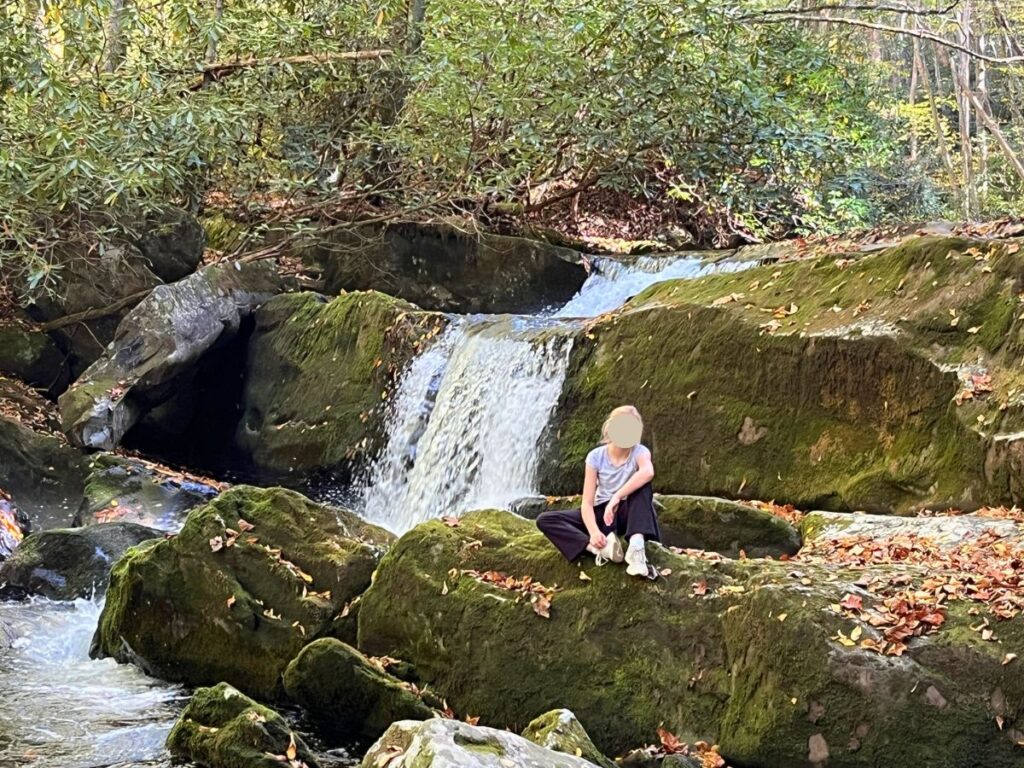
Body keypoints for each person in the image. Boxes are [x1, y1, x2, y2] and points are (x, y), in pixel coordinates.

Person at [536, 405, 660, 579]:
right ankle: (599, 549)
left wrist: (616, 497)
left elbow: (648, 472)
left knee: (643, 487)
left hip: (628, 514)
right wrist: (594, 532)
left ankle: (636, 550)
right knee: (546, 519)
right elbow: (586, 503)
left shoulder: (639, 452)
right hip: (601, 514)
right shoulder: (595, 457)